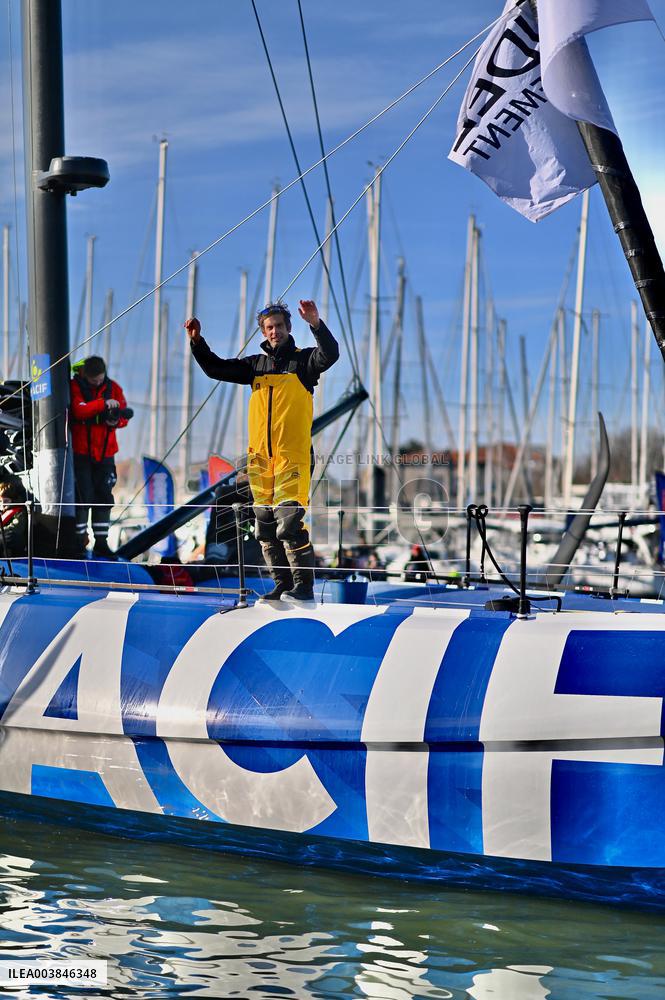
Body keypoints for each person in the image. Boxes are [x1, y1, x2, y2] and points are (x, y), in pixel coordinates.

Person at [185, 300, 339, 602]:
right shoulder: (254, 366)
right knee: (264, 526)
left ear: (289, 328)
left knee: (290, 522)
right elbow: (215, 368)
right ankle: (281, 584)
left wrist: (316, 324)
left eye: (279, 326)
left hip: (291, 456)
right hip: (259, 460)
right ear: (263, 331)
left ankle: (303, 587)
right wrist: (197, 342)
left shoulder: (304, 362)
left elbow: (330, 354)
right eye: (269, 327)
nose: (275, 332)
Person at [70, 356, 131, 558]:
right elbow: (79, 411)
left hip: (105, 454)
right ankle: (78, 542)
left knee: (103, 497)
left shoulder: (114, 388)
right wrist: (102, 405)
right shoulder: (75, 386)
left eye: (99, 379)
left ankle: (102, 543)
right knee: (83, 496)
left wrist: (115, 420)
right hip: (82, 454)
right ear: (84, 375)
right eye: (93, 380)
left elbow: (123, 417)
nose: (97, 383)